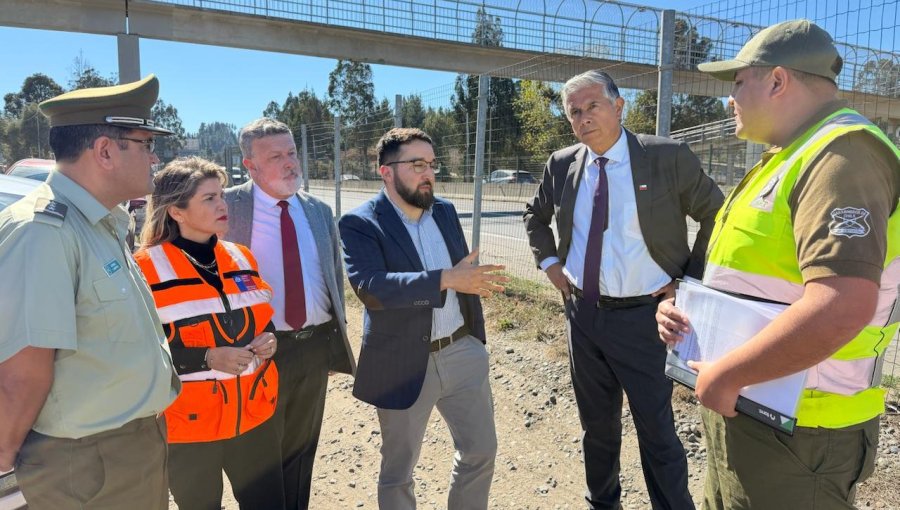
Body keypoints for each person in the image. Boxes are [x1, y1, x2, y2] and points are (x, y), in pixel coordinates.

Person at [656, 19, 900, 509]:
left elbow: (842, 304)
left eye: (738, 81)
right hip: (757, 410)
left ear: (777, 80)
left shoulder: (841, 155)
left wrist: (727, 376)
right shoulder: (788, 156)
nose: (730, 97)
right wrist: (687, 316)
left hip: (802, 431)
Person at [523, 70, 724, 509]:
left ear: (619, 106)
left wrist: (687, 281)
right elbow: (534, 215)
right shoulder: (562, 164)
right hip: (584, 315)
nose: (583, 117)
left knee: (657, 430)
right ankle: (603, 502)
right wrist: (551, 263)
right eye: (574, 111)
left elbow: (717, 214)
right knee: (596, 427)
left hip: (646, 319)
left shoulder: (666, 157)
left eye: (593, 105)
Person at [0, 75, 180, 509]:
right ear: (104, 151)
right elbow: (22, 375)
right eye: (145, 143)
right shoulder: (42, 232)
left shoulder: (101, 224)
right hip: (86, 465)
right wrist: (6, 471)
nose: (155, 157)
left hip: (126, 450)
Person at [339, 128, 508, 509]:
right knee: (399, 472)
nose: (428, 173)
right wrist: (446, 278)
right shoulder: (361, 223)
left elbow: (462, 273)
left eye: (431, 164)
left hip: (462, 351)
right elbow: (371, 287)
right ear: (386, 171)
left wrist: (475, 340)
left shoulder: (445, 211)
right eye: (417, 164)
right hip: (401, 362)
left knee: (480, 451)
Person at [134, 157, 285, 510]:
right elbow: (140, 350)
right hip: (189, 427)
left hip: (255, 417)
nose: (223, 204)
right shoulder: (144, 268)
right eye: (209, 198)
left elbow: (263, 321)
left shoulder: (241, 256)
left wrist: (270, 339)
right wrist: (206, 358)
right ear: (177, 212)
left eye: (222, 195)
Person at [223, 118, 356, 510]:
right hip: (259, 352)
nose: (289, 163)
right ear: (250, 165)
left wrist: (334, 343)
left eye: (292, 153)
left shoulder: (317, 210)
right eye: (276, 156)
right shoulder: (228, 207)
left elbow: (333, 275)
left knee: (300, 454)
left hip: (313, 347)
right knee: (258, 459)